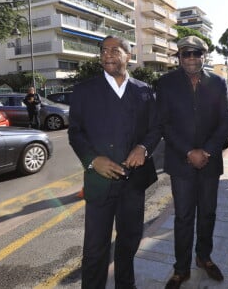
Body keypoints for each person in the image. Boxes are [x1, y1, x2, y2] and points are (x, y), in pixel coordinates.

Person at [68, 35, 161, 289]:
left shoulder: (144, 90)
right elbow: (75, 132)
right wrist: (92, 160)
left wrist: (143, 148)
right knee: (95, 248)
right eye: (103, 50)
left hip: (133, 183)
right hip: (100, 181)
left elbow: (155, 128)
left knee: (129, 240)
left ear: (128, 56)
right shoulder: (85, 90)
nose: (107, 54)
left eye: (115, 50)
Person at [157, 35, 228, 289]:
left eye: (196, 53)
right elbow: (164, 124)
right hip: (181, 162)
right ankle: (180, 269)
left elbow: (226, 121)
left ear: (204, 56)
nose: (191, 58)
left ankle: (204, 257)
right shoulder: (165, 83)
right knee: (184, 217)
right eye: (186, 54)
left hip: (210, 162)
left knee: (208, 214)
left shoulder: (219, 82)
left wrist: (208, 151)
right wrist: (189, 151)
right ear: (178, 57)